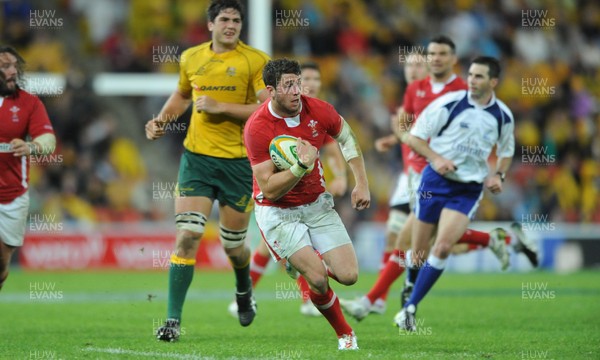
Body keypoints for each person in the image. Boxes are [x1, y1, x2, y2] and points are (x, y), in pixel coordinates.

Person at [340, 36, 535, 322]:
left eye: (441, 54)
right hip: (418, 171)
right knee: (418, 240)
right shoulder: (417, 88)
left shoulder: (459, 93)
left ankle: (378, 300)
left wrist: (497, 174)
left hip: (443, 175)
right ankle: (498, 240)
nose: (434, 60)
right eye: (430, 55)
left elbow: (500, 146)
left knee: (413, 238)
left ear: (453, 59)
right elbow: (409, 124)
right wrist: (395, 138)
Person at [144, 0, 270, 341]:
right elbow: (182, 94)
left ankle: (243, 289)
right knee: (187, 236)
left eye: (236, 20)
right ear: (211, 24)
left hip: (239, 163)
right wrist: (160, 121)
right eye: (225, 19)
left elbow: (267, 108)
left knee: (233, 247)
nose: (231, 25)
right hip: (197, 159)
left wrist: (221, 107)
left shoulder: (255, 60)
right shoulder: (191, 58)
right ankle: (172, 321)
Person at [244, 58, 370, 350]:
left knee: (349, 276)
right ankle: (345, 334)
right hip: (278, 212)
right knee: (316, 278)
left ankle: (299, 257)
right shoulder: (257, 127)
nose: (297, 90)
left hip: (316, 205)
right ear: (271, 90)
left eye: (298, 82)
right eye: (288, 85)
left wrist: (361, 182)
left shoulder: (319, 110)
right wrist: (301, 166)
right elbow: (268, 189)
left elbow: (348, 139)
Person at [397, 56, 516, 331]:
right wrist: (436, 158)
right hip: (434, 181)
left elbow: (507, 151)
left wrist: (499, 174)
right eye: (471, 75)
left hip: (467, 189)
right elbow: (413, 137)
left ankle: (410, 308)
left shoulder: (503, 116)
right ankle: (410, 283)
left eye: (479, 76)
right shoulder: (448, 104)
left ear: (493, 82)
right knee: (418, 251)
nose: (472, 80)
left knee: (443, 246)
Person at [229, 61, 348, 318]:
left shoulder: (315, 112)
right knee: (275, 246)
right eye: (307, 80)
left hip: (305, 192)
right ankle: (249, 294)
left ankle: (259, 293)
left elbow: (332, 146)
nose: (311, 85)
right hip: (272, 191)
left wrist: (340, 176)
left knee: (277, 248)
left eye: (314, 80)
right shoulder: (271, 116)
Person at [369, 52, 429, 314]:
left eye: (419, 65)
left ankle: (498, 240)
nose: (412, 69)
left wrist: (399, 134)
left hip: (427, 174)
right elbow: (411, 131)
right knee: (394, 234)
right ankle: (379, 298)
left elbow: (423, 134)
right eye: (409, 65)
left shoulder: (432, 99)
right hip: (408, 176)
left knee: (442, 241)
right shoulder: (410, 97)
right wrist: (394, 138)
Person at [0, 45, 56, 291]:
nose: (12, 71)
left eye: (14, 66)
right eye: (5, 66)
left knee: (1, 268)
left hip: (12, 196)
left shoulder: (29, 103)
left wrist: (31, 147)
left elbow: (48, 140)